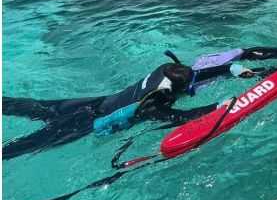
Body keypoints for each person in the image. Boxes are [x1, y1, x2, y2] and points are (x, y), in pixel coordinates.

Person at [2, 58, 250, 160]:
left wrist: (230, 69)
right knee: (22, 147)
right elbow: (179, 117)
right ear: (174, 89)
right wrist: (218, 106)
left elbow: (192, 75)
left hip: (86, 103)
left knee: (23, 105)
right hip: (81, 123)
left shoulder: (163, 73)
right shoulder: (152, 104)